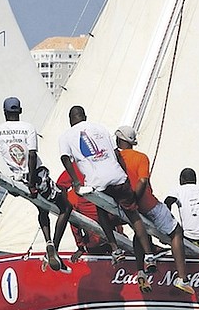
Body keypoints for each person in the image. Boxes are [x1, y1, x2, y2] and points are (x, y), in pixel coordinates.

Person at [59, 106, 156, 274]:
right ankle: (149, 255)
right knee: (134, 215)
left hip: (98, 185)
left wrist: (75, 181)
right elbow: (115, 154)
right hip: (118, 179)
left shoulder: (68, 139)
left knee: (101, 212)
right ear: (85, 116)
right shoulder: (101, 129)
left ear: (70, 119)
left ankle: (115, 249)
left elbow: (64, 160)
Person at [0, 97, 72, 273]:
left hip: (18, 181)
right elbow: (31, 156)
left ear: (4, 112)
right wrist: (32, 183)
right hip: (36, 178)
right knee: (66, 207)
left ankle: (48, 243)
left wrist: (9, 182)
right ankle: (53, 245)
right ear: (20, 111)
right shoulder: (28, 128)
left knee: (42, 208)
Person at [114, 126, 194, 295]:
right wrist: (135, 199)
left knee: (139, 230)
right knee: (176, 231)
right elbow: (143, 181)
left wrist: (130, 204)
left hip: (125, 206)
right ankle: (182, 278)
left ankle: (141, 271)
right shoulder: (141, 157)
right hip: (147, 203)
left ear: (119, 140)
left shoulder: (114, 158)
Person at [56, 162, 126, 263]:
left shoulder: (71, 197)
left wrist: (80, 246)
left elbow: (74, 224)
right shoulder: (102, 165)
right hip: (115, 235)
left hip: (95, 244)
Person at [164, 168, 199, 252]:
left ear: (182, 179)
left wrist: (168, 223)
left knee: (172, 231)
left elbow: (168, 202)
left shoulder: (178, 190)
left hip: (190, 239)